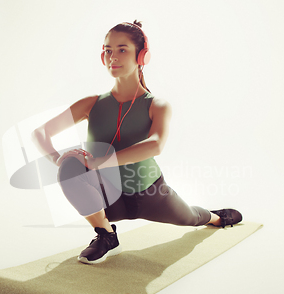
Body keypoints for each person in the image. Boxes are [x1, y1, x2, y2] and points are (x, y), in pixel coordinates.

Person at [31, 20, 242, 265]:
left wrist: (99, 162)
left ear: (142, 56)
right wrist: (59, 158)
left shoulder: (157, 105)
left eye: (122, 50)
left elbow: (156, 145)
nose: (113, 57)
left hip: (151, 193)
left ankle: (215, 217)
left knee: (191, 217)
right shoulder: (91, 104)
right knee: (68, 168)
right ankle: (106, 236)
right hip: (108, 197)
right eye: (108, 50)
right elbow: (39, 133)